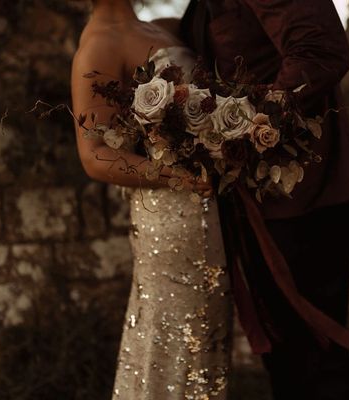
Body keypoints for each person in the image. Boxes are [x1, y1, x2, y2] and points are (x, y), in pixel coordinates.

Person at [180, 1, 349, 399]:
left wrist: (242, 128)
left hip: (302, 194)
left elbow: (320, 51)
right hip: (262, 198)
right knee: (289, 361)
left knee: (315, 359)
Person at [70, 1, 233, 399]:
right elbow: (95, 157)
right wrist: (179, 176)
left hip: (211, 208)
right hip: (172, 218)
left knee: (207, 341)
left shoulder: (162, 27)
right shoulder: (98, 46)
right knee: (175, 342)